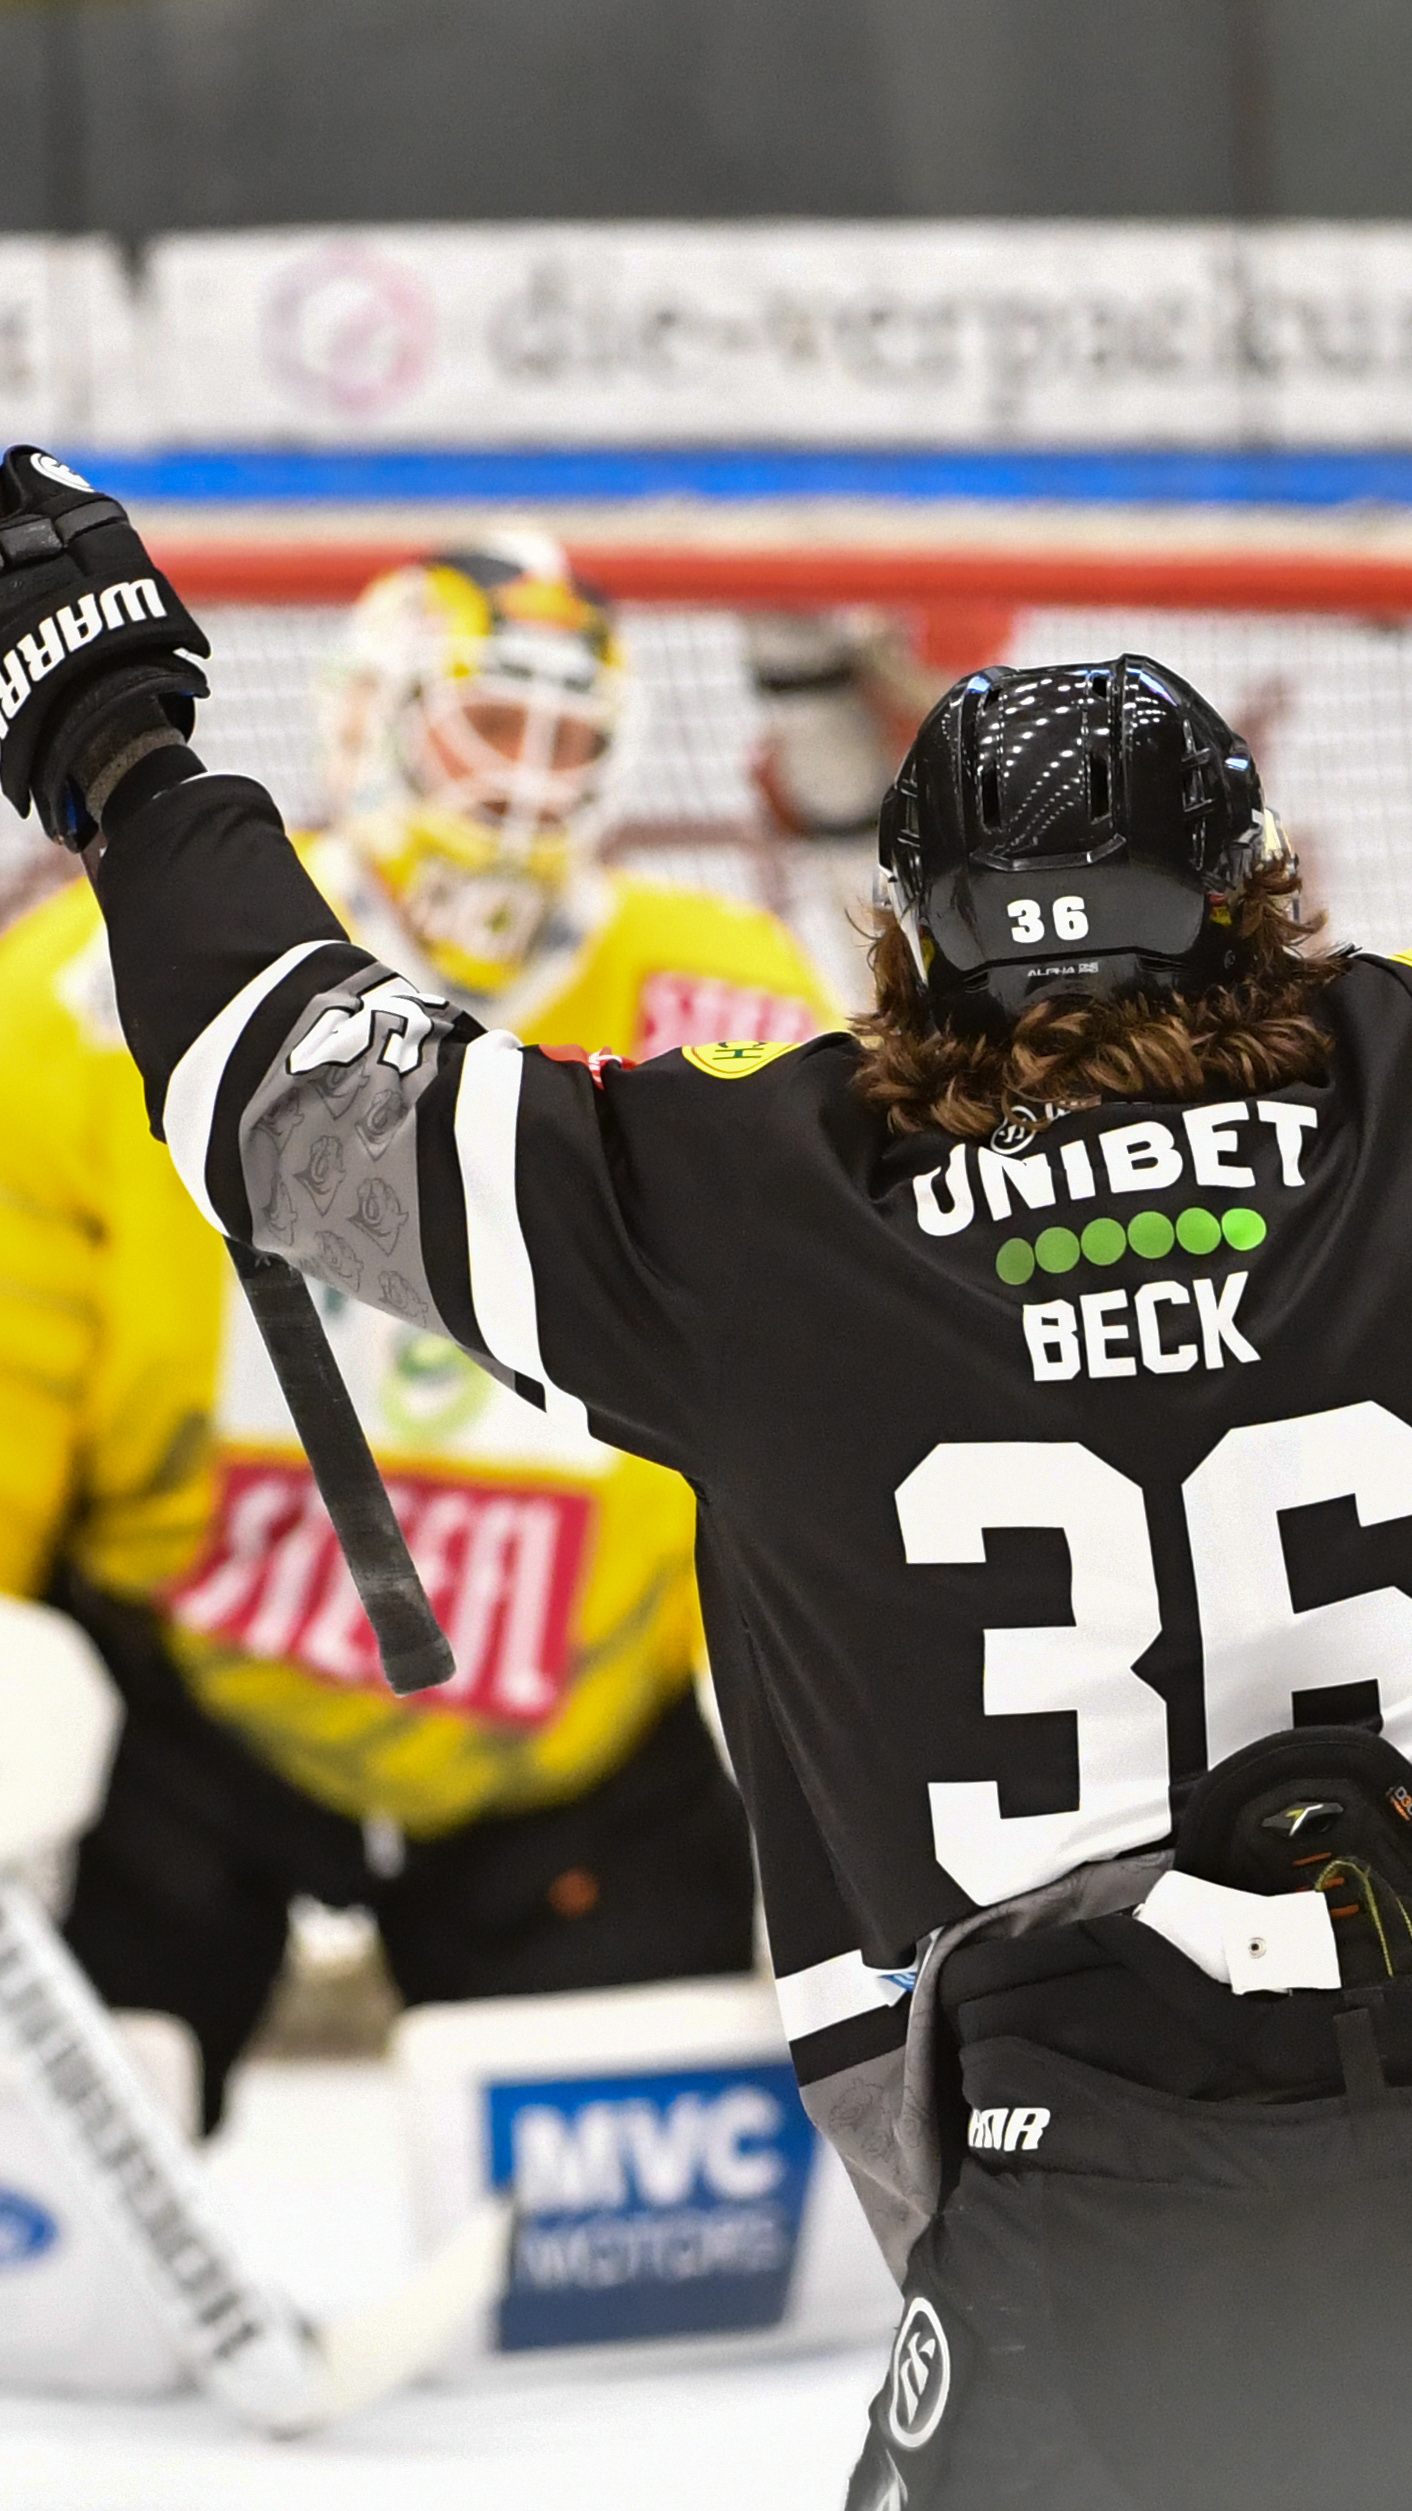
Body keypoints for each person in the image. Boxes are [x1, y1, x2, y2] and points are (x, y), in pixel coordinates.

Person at [7, 450, 1412, 2507]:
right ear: (1259, 892)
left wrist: (113, 726)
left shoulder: (777, 1210)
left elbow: (283, 1087)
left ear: (907, 929)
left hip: (1059, 2219)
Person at [0, 512, 836, 2131]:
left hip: (575, 1729)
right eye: (486, 722)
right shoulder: (91, 989)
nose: (524, 782)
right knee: (62, 2142)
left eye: (567, 737)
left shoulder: (727, 998)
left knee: (635, 2210)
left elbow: (800, 1367)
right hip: (192, 1699)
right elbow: (15, 1338)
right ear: (365, 720)